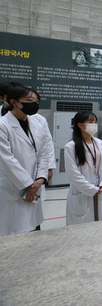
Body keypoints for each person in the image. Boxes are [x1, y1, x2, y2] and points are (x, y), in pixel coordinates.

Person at [0, 86, 50, 236]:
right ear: (14, 102)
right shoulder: (3, 125)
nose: (34, 104)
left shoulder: (37, 124)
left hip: (35, 185)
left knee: (33, 228)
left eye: (36, 101)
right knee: (12, 232)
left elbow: (43, 153)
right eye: (29, 101)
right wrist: (28, 185)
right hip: (13, 186)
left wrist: (41, 178)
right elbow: (7, 159)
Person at [64, 111, 102, 225]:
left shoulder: (100, 143)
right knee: (82, 228)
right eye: (90, 122)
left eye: (95, 122)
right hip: (82, 192)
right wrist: (91, 189)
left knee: (100, 225)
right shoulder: (71, 146)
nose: (94, 125)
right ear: (80, 125)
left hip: (100, 189)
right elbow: (73, 174)